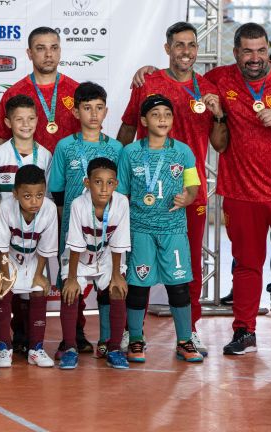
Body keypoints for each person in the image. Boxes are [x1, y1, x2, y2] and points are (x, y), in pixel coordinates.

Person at [118, 22, 227, 356]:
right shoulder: (148, 81)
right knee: (138, 267)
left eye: (192, 45)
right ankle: (131, 334)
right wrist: (111, 173)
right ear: (167, 48)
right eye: (179, 45)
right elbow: (126, 129)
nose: (186, 51)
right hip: (143, 198)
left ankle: (188, 332)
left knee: (188, 266)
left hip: (186, 195)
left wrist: (219, 115)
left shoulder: (208, 88)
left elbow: (220, 146)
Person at [202, 23, 271, 356]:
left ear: (268, 49)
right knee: (246, 263)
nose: (255, 58)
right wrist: (149, 71)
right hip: (241, 191)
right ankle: (244, 331)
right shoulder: (221, 78)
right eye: (247, 51)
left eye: (261, 50)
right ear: (236, 52)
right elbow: (183, 79)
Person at [117, 95, 203, 364]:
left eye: (167, 113)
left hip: (173, 229)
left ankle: (184, 340)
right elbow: (120, 193)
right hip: (140, 228)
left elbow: (194, 186)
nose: (163, 118)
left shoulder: (183, 151)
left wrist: (188, 198)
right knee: (138, 286)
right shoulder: (130, 153)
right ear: (143, 121)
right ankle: (135, 339)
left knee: (178, 285)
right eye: (156, 114)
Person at [49, 81, 123, 357]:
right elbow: (56, 189)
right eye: (87, 108)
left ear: (106, 112)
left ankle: (106, 338)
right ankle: (74, 336)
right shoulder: (65, 147)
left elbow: (121, 190)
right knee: (73, 282)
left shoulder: (116, 148)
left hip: (107, 229)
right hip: (73, 228)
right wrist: (64, 223)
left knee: (106, 282)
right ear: (76, 111)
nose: (94, 114)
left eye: (99, 108)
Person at [60, 157, 130, 369]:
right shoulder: (78, 205)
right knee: (70, 292)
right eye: (98, 182)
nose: (104, 188)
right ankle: (70, 348)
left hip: (107, 257)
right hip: (79, 260)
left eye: (110, 183)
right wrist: (72, 279)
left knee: (118, 289)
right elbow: (74, 245)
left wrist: (117, 276)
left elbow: (119, 243)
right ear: (87, 183)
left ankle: (115, 349)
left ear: (116, 184)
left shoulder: (121, 202)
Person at [0, 165, 57, 368]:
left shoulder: (49, 208)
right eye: (27, 196)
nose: (34, 201)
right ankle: (4, 347)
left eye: (39, 195)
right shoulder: (6, 207)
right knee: (3, 292)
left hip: (35, 260)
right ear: (15, 193)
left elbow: (46, 248)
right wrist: (5, 277)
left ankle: (36, 348)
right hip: (8, 261)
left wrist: (39, 275)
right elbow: (1, 247)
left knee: (39, 290)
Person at [0, 27, 79, 153]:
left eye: (54, 48)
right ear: (29, 53)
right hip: (28, 168)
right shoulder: (14, 93)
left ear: (60, 51)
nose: (48, 54)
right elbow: (2, 138)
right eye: (40, 48)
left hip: (70, 169)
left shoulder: (77, 91)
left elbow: (91, 135)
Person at [0, 95, 52, 200]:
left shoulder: (45, 155)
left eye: (31, 118)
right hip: (5, 216)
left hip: (38, 216)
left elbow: (48, 197)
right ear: (8, 123)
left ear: (37, 120)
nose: (26, 124)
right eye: (19, 119)